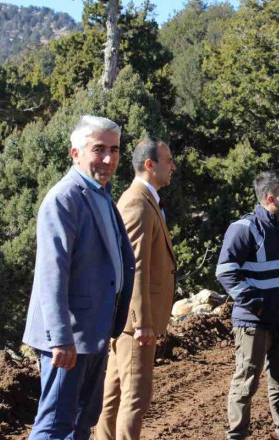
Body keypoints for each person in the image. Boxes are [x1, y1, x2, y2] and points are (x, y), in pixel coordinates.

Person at [22, 115, 135, 440]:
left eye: (114, 150)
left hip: (94, 331)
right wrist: (60, 337)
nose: (108, 158)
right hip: (69, 335)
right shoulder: (64, 199)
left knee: (82, 423)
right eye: (98, 149)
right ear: (75, 153)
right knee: (55, 425)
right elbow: (51, 273)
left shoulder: (101, 195)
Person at [215, 170, 279, 440]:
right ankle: (236, 436)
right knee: (246, 382)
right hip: (253, 322)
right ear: (271, 198)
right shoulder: (244, 228)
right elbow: (225, 271)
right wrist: (255, 303)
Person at [96, 138, 177, 440]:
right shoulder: (137, 202)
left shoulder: (146, 200)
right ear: (149, 164)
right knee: (135, 398)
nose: (173, 167)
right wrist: (142, 322)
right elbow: (134, 267)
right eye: (168, 160)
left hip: (130, 322)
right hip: (135, 325)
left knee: (114, 399)